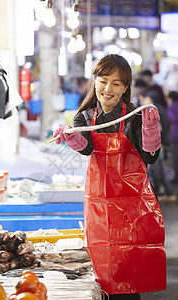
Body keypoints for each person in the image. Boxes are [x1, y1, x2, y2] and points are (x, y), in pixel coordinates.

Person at [53, 54, 166, 299]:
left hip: (132, 209)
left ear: (126, 87)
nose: (108, 88)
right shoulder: (83, 117)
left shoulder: (136, 116)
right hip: (100, 209)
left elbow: (150, 157)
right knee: (102, 276)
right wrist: (72, 137)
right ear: (95, 82)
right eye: (104, 80)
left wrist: (150, 131)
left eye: (116, 83)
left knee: (127, 280)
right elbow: (87, 148)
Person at [138, 89, 176, 202]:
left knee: (157, 169)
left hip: (157, 145)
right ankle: (166, 192)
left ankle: (159, 193)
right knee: (160, 169)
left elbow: (158, 128)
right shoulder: (159, 108)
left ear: (150, 99)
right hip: (161, 143)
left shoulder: (152, 109)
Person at [167, 91, 178, 182]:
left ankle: (176, 177)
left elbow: (173, 118)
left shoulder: (172, 107)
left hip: (175, 135)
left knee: (175, 158)